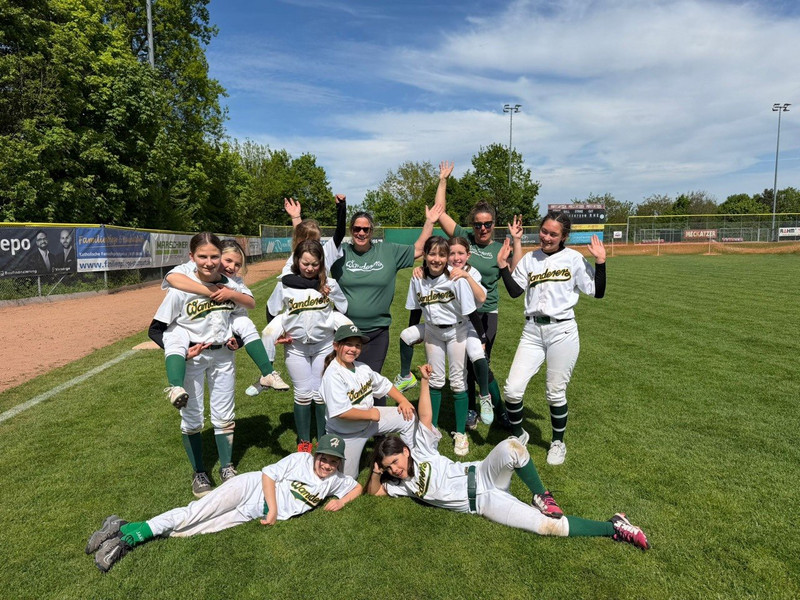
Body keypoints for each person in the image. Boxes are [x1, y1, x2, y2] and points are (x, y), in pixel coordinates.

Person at [366, 365, 649, 550]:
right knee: (549, 527)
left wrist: (425, 381)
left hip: (483, 472)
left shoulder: (421, 450)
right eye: (390, 468)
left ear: (405, 451)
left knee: (513, 446)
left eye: (395, 462)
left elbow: (426, 417)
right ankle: (614, 527)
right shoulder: (402, 486)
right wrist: (377, 471)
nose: (395, 470)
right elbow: (375, 492)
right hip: (484, 504)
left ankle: (542, 496)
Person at [87, 434, 362, 573]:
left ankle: (121, 526)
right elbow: (268, 475)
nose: (327, 465)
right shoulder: (300, 460)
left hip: (249, 512)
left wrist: (342, 502)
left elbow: (357, 487)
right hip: (250, 487)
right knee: (192, 514)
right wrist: (274, 510)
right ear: (315, 454)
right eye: (324, 458)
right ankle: (126, 542)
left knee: (189, 531)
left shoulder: (335, 480)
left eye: (333, 461)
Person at [148, 233, 256, 498]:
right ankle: (199, 472)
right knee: (192, 416)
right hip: (194, 358)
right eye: (203, 256)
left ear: (221, 256)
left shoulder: (230, 285)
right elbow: (155, 329)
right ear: (191, 257)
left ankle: (227, 467)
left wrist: (238, 340)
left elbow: (240, 318)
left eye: (214, 256)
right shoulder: (180, 288)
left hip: (223, 357)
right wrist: (182, 352)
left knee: (224, 414)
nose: (209, 262)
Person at [496, 211, 606, 465]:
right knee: (512, 390)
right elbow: (515, 291)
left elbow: (597, 291)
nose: (546, 237)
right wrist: (503, 267)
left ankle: (557, 442)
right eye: (544, 231)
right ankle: (518, 434)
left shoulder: (574, 259)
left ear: (564, 236)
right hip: (532, 331)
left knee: (555, 392)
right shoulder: (530, 259)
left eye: (553, 234)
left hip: (562, 331)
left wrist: (601, 262)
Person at [157, 238, 289, 412]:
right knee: (192, 413)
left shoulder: (234, 283)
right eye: (228, 260)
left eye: (237, 264)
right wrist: (210, 290)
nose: (232, 267)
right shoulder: (191, 270)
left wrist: (231, 294)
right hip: (193, 343)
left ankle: (268, 373)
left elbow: (248, 305)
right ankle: (175, 386)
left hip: (221, 347)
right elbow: (172, 278)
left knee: (245, 323)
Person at [330, 203, 443, 404]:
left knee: (372, 381)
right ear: (351, 230)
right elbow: (309, 255)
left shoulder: (388, 251)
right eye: (357, 228)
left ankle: (378, 423)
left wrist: (430, 221)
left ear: (372, 231)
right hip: (345, 332)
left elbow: (419, 249)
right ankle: (346, 420)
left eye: (366, 229)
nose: (361, 233)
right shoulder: (338, 253)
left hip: (377, 332)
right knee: (344, 381)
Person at [433, 162, 518, 427]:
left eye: (487, 224)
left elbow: (515, 273)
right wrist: (443, 180)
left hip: (486, 312)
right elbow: (439, 212)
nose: (482, 228)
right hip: (460, 313)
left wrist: (516, 242)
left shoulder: (499, 248)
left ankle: (498, 409)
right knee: (464, 362)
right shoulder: (463, 238)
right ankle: (471, 409)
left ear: (493, 225)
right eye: (478, 224)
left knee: (480, 361)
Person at [247, 194, 347, 396]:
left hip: (320, 313)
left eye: (315, 240)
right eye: (306, 241)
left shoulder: (325, 252)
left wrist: (341, 208)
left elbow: (339, 233)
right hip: (296, 314)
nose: (311, 244)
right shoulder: (294, 258)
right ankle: (267, 373)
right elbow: (287, 280)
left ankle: (350, 372)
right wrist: (318, 284)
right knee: (268, 333)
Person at [394, 236, 493, 428]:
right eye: (432, 254)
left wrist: (482, 338)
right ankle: (431, 426)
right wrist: (414, 331)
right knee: (434, 379)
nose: (436, 259)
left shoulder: (456, 278)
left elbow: (472, 312)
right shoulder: (417, 277)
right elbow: (415, 309)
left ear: (447, 258)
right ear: (424, 255)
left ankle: (461, 433)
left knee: (458, 382)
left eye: (441, 255)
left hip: (457, 330)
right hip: (432, 331)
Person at [266, 239, 349, 452]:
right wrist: (280, 331)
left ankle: (323, 437)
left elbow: (343, 307)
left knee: (321, 393)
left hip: (324, 345)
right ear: (297, 261)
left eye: (314, 264)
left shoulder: (330, 284)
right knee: (302, 394)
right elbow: (271, 309)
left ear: (321, 263)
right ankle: (304, 441)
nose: (310, 268)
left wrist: (332, 303)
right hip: (296, 347)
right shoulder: (284, 284)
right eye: (305, 263)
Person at [320, 324, 417, 478]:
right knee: (347, 480)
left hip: (370, 423)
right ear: (336, 346)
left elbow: (384, 385)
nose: (353, 349)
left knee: (409, 416)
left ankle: (412, 461)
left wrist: (403, 400)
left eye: (357, 345)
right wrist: (371, 414)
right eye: (348, 344)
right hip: (346, 434)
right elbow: (341, 412)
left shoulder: (362, 367)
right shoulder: (333, 375)